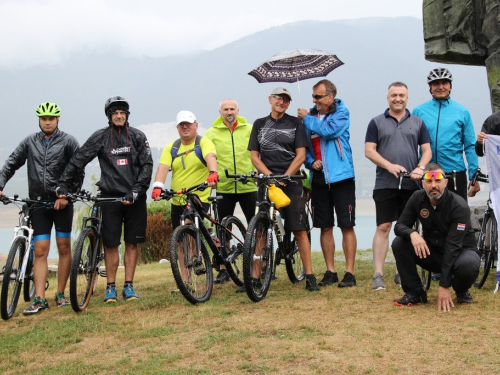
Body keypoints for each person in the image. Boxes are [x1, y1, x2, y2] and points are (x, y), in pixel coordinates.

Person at [58, 96, 153, 303]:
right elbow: (78, 160)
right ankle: (111, 287)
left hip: (134, 198)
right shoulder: (100, 137)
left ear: (127, 115)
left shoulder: (137, 136)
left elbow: (147, 165)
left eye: (122, 113)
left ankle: (129, 285)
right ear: (109, 116)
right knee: (110, 244)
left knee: (131, 243)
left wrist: (136, 190)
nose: (119, 116)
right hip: (109, 198)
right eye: (115, 113)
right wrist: (64, 183)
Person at [0, 102, 83, 315]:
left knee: (64, 248)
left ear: (58, 120)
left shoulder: (68, 142)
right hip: (38, 203)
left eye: (51, 118)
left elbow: (78, 170)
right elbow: (11, 163)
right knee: (40, 250)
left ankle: (61, 294)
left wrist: (67, 195)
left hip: (62, 203)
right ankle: (39, 298)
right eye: (44, 118)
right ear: (39, 120)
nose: (47, 121)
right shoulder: (30, 142)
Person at [248, 87, 319, 291]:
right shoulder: (259, 124)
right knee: (260, 229)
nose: (282, 102)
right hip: (266, 180)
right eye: (278, 98)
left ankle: (310, 275)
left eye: (286, 100)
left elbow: (301, 155)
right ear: (270, 99)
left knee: (299, 229)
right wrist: (269, 176)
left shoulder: (296, 123)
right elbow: (254, 156)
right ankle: (255, 275)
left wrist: (287, 175)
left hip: (292, 179)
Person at [365, 82, 432, 291]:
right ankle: (378, 274)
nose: (398, 99)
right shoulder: (376, 122)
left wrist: (421, 168)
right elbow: (369, 151)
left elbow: (427, 151)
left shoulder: (419, 122)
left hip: (411, 185)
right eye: (394, 95)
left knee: (406, 229)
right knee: (383, 227)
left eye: (401, 95)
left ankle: (401, 272)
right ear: (387, 97)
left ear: (407, 98)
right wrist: (388, 165)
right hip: (385, 184)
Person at [392, 163, 480, 310]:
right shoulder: (416, 198)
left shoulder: (459, 206)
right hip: (433, 253)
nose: (433, 185)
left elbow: (453, 247)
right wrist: (412, 233)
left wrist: (444, 286)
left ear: (445, 182)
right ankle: (415, 292)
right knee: (399, 243)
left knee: (468, 264)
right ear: (423, 183)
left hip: (459, 254)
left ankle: (461, 290)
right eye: (429, 181)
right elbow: (399, 225)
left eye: (438, 181)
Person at [297, 79, 357, 288]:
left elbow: (329, 130)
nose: (315, 101)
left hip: (341, 176)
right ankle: (330, 270)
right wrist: (311, 163)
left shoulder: (341, 113)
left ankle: (349, 273)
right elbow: (304, 149)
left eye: (318, 97)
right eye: (313, 96)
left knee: (346, 224)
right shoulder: (310, 118)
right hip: (319, 178)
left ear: (330, 96)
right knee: (325, 226)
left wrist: (307, 119)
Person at [151, 110, 218, 291]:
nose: (185, 127)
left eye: (188, 124)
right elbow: (163, 167)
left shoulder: (203, 142)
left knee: (188, 225)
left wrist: (213, 173)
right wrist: (158, 185)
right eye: (182, 125)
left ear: (196, 125)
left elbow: (210, 157)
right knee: (180, 239)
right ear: (177, 128)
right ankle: (185, 281)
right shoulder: (171, 148)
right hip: (178, 198)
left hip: (199, 195)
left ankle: (198, 257)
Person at [204, 99, 257, 286]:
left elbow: (257, 152)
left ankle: (258, 266)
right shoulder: (211, 133)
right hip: (224, 187)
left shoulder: (249, 129)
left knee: (254, 226)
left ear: (238, 110)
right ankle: (224, 269)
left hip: (248, 184)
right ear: (220, 111)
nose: (229, 112)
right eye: (225, 109)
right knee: (222, 229)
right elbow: (207, 157)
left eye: (232, 109)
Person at [413, 67, 480, 200]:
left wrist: (474, 175)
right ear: (430, 87)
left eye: (445, 83)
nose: (440, 87)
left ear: (450, 86)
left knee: (458, 217)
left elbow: (470, 145)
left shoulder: (462, 112)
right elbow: (411, 144)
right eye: (436, 83)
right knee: (427, 217)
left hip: (455, 173)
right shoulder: (418, 111)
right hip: (428, 173)